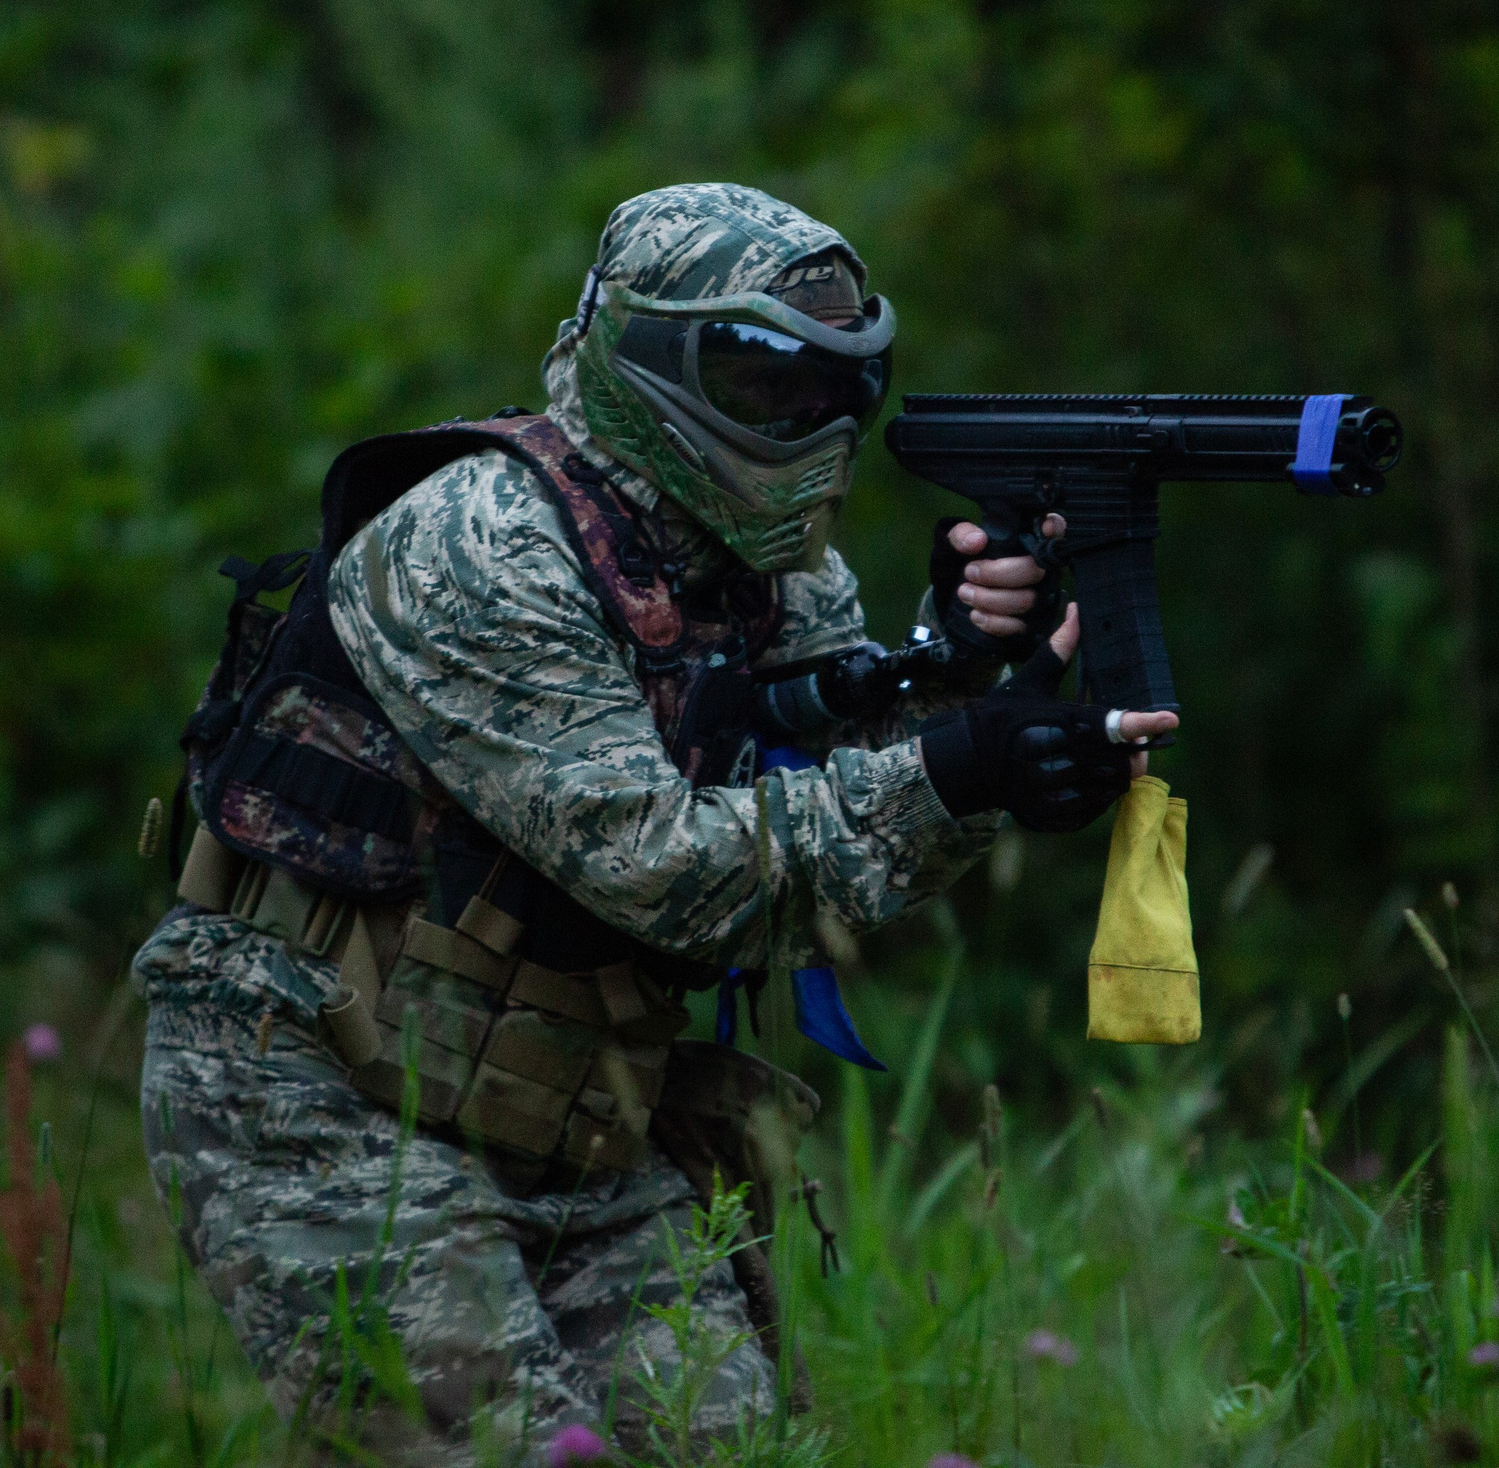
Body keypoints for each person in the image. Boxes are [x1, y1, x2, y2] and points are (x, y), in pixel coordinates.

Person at [132, 183, 1178, 1462]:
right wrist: (957, 774)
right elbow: (668, 869)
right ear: (643, 361)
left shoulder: (770, 564)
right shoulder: (484, 542)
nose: (807, 425)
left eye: (836, 390)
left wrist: (958, 681)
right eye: (765, 385)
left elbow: (821, 818)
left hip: (563, 1097)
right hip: (318, 1084)